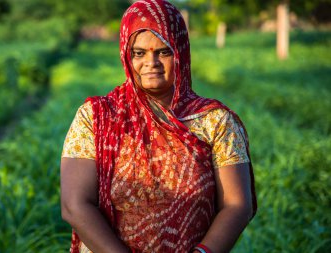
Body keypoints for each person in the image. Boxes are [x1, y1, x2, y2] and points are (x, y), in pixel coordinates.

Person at [60, 0, 257, 252]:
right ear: (126, 55)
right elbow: (74, 205)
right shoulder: (96, 118)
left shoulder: (215, 121)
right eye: (139, 53)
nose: (150, 62)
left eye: (163, 51)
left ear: (181, 52)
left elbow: (237, 205)